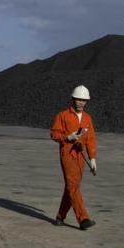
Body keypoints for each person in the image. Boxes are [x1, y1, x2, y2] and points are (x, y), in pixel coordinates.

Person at [49, 85, 97, 230]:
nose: (81, 103)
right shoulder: (62, 116)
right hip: (68, 155)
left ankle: (60, 217)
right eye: (78, 99)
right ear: (73, 99)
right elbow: (53, 134)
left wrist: (93, 158)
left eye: (84, 100)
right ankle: (83, 219)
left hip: (81, 156)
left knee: (71, 188)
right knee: (72, 187)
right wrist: (67, 137)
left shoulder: (88, 118)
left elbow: (90, 139)